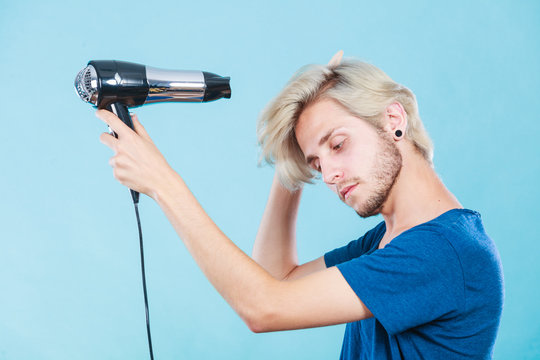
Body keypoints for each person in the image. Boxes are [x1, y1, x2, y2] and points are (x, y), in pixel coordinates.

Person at [96, 51, 504, 359]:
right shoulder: (389, 241)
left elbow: (263, 307)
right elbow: (277, 276)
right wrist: (293, 158)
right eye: (317, 163)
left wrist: (163, 184)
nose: (328, 175)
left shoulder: (444, 254)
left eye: (338, 144)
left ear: (393, 119)